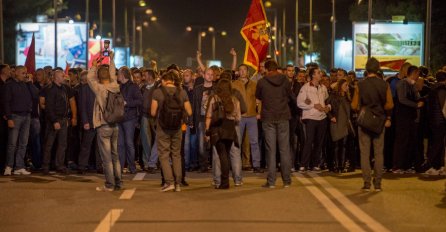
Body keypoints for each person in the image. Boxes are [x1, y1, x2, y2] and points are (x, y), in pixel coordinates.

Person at [351, 57, 394, 192]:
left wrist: (364, 109)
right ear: (378, 69)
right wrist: (384, 114)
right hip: (379, 122)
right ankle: (378, 183)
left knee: (365, 153)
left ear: (366, 68)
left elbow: (354, 105)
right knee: (379, 153)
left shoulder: (360, 84)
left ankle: (367, 182)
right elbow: (390, 104)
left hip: (364, 122)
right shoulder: (384, 84)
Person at [151, 70, 192, 192]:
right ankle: (178, 183)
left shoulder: (158, 92)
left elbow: (153, 112)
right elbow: (189, 112)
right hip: (177, 127)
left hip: (163, 128)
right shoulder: (182, 92)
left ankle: (169, 182)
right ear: (173, 81)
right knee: (176, 155)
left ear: (163, 80)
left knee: (164, 155)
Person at [87, 52, 123, 192]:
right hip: (115, 125)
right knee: (115, 155)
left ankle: (109, 184)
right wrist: (112, 59)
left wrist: (94, 66)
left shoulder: (99, 88)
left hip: (103, 125)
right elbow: (113, 74)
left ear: (99, 77)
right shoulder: (115, 85)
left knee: (106, 158)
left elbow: (90, 78)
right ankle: (118, 182)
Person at [256, 60, 293, 188]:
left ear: (266, 69)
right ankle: (286, 181)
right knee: (284, 149)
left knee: (270, 150)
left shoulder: (262, 82)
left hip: (268, 117)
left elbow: (258, 97)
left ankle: (271, 181)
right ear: (277, 68)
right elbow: (290, 96)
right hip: (283, 116)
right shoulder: (285, 80)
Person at [205, 77, 241, 189]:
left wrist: (207, 131)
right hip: (230, 129)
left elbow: (209, 116)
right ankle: (227, 180)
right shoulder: (234, 100)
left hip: (218, 128)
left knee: (222, 155)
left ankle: (224, 182)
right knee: (227, 155)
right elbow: (238, 118)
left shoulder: (214, 98)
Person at [41, 69, 76, 175]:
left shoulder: (64, 88)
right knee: (49, 144)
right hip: (54, 120)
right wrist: (54, 121)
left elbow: (69, 103)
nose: (64, 77)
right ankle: (46, 166)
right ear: (56, 77)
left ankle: (59, 165)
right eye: (62, 75)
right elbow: (49, 107)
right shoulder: (51, 89)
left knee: (62, 144)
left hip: (63, 119)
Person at [297, 67, 330, 173]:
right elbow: (300, 102)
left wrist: (328, 107)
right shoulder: (305, 87)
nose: (321, 74)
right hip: (311, 118)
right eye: (318, 73)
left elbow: (327, 100)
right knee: (309, 141)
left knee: (319, 142)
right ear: (313, 75)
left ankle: (315, 164)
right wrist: (313, 105)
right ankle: (303, 164)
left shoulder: (323, 87)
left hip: (322, 118)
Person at [392, 66, 424, 174]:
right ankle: (397, 166)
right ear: (413, 73)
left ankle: (406, 165)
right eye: (417, 73)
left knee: (409, 141)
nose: (418, 76)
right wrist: (416, 105)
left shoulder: (412, 84)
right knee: (402, 141)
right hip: (403, 117)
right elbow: (402, 99)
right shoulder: (402, 84)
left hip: (411, 118)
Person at [232, 64, 263, 173]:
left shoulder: (254, 85)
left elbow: (259, 100)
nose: (242, 72)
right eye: (240, 70)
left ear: (248, 72)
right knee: (237, 142)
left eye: (244, 70)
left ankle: (256, 165)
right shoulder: (234, 84)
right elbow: (232, 100)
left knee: (254, 141)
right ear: (238, 72)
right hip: (239, 117)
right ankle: (236, 165)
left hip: (252, 116)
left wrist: (259, 112)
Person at [2, 65, 33, 175]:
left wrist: (30, 83)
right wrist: (9, 118)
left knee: (23, 143)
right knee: (12, 144)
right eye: (23, 73)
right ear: (16, 73)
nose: (25, 75)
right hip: (15, 116)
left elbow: (35, 95)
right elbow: (6, 102)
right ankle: (9, 166)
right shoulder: (9, 85)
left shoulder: (26, 85)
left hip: (26, 116)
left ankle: (19, 166)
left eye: (26, 73)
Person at [117, 67, 143, 174]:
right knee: (120, 144)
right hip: (120, 118)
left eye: (118, 74)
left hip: (129, 119)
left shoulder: (133, 87)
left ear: (123, 75)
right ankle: (121, 167)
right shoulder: (119, 87)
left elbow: (140, 101)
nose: (117, 76)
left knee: (129, 143)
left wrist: (127, 103)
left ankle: (132, 167)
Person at [326, 79, 352, 173]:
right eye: (346, 85)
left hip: (344, 123)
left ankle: (342, 165)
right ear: (340, 85)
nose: (347, 87)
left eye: (348, 85)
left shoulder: (347, 97)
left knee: (344, 145)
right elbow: (327, 107)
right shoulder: (333, 96)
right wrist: (331, 117)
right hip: (336, 122)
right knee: (336, 145)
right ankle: (336, 165)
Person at [192, 68, 215, 172]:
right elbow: (194, 106)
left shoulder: (216, 89)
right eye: (208, 74)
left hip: (214, 119)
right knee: (201, 144)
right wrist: (192, 120)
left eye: (211, 74)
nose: (210, 76)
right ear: (204, 75)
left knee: (214, 143)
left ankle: (215, 165)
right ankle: (203, 165)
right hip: (201, 119)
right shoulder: (197, 89)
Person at [424, 71, 446, 175]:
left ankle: (438, 166)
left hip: (433, 120)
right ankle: (431, 164)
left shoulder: (433, 88)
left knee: (438, 143)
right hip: (440, 121)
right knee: (438, 143)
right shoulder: (441, 89)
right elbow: (443, 108)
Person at [78, 70, 98, 174]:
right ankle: (82, 166)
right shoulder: (84, 89)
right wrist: (85, 121)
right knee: (86, 146)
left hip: (100, 122)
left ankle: (99, 167)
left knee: (99, 147)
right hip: (89, 122)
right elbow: (82, 107)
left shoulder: (100, 87)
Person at [140, 68, 158, 173]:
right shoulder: (143, 88)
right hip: (145, 116)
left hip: (156, 117)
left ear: (150, 76)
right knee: (146, 140)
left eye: (145, 75)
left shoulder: (158, 87)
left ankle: (155, 162)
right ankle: (147, 163)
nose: (143, 77)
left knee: (158, 140)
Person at [0, 64, 11, 171]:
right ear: (2, 71)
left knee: (4, 141)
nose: (10, 71)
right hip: (2, 117)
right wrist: (3, 113)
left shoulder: (6, 84)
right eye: (8, 69)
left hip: (5, 117)